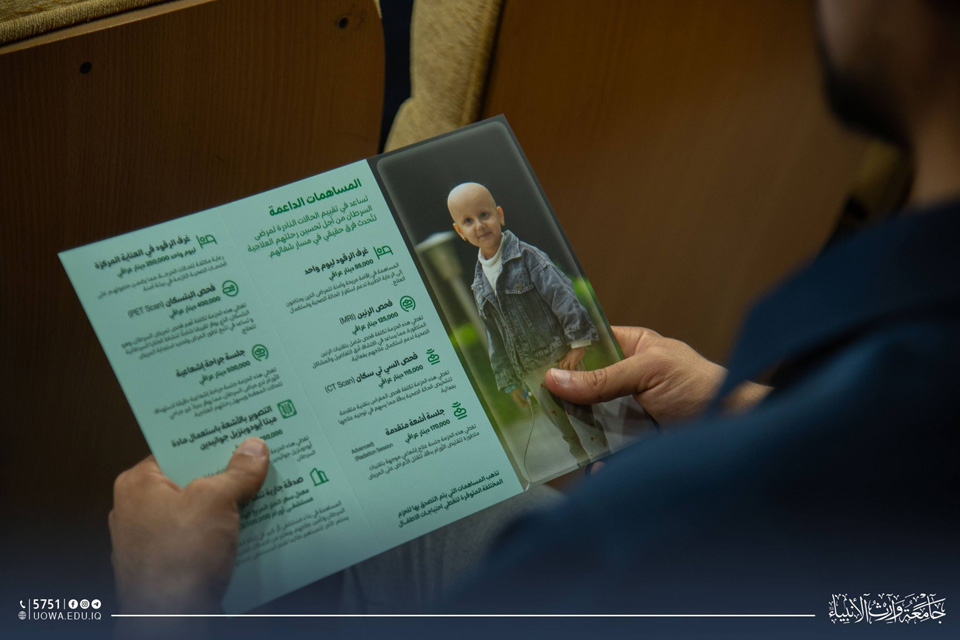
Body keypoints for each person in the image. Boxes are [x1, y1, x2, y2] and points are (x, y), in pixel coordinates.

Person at [109, 0, 959, 632]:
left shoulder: (637, 537)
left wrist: (163, 608)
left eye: (486, 215)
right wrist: (745, 408)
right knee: (407, 508)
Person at [446, 181, 609, 467]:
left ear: (499, 215)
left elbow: (562, 296)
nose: (479, 225)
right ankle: (586, 467)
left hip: (560, 358)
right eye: (468, 221)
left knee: (583, 419)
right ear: (460, 231)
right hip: (530, 371)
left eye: (484, 215)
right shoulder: (479, 283)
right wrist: (509, 380)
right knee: (564, 430)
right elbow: (495, 336)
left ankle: (606, 464)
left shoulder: (528, 257)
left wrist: (577, 343)